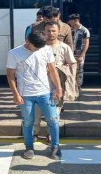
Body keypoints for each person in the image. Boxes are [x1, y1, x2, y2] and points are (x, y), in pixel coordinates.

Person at [7, 31, 64, 161]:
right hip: (26, 94)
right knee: (28, 122)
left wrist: (58, 88)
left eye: (40, 47)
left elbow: (52, 70)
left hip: (45, 92)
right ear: (27, 41)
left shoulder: (46, 49)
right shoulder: (14, 53)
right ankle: (29, 147)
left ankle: (55, 147)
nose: (38, 49)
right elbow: (10, 74)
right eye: (35, 47)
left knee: (53, 120)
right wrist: (15, 94)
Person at [68, 13, 90, 89]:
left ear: (76, 20)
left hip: (79, 54)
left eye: (70, 20)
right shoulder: (70, 30)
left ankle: (78, 86)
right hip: (70, 53)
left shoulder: (84, 30)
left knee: (79, 70)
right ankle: (71, 85)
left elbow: (86, 43)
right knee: (70, 70)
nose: (69, 22)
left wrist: (82, 55)